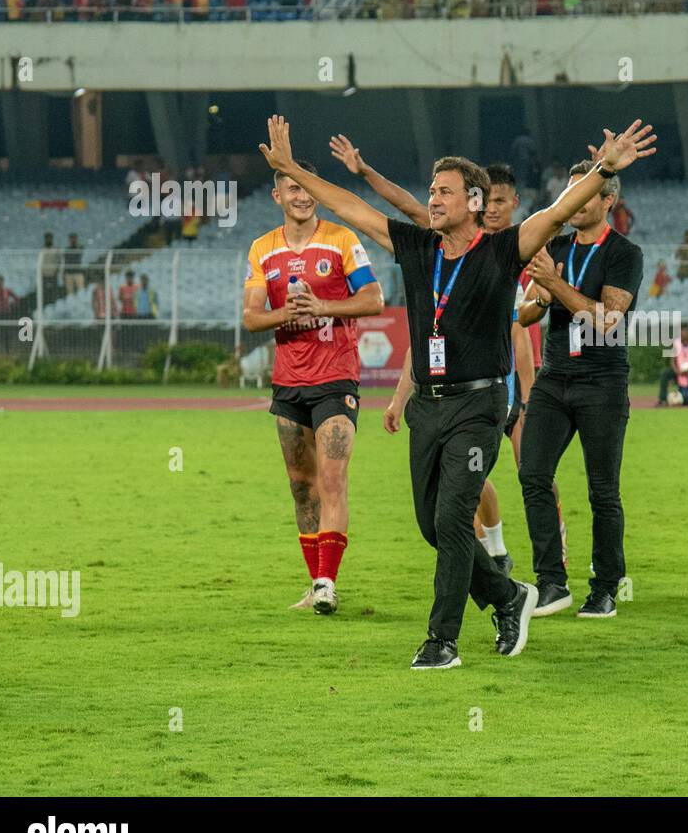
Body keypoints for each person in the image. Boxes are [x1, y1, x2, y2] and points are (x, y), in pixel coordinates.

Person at [259, 114, 655, 669]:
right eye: (431, 191)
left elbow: (559, 212)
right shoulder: (419, 248)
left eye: (443, 192)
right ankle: (508, 595)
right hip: (429, 406)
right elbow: (353, 209)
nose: (433, 199)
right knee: (431, 524)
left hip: (480, 404)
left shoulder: (501, 250)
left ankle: (441, 640)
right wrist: (291, 168)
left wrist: (602, 170)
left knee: (452, 519)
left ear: (473, 201)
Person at [327, 137, 561, 574]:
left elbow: (520, 326)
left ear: (511, 205)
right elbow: (407, 210)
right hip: (447, 383)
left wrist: (527, 394)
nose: (492, 209)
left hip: (496, 381)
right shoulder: (438, 247)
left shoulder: (514, 248)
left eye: (499, 201)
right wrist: (365, 172)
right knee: (467, 490)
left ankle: (547, 566)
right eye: (488, 201)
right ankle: (496, 551)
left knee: (531, 474)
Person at [241, 156, 385, 616]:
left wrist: (323, 305)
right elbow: (250, 318)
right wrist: (288, 314)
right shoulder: (262, 249)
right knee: (301, 487)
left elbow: (373, 299)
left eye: (308, 189)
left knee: (332, 477)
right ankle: (315, 581)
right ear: (277, 196)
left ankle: (327, 583)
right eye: (293, 189)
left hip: (335, 378)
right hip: (288, 384)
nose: (302, 196)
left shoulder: (342, 239)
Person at [517, 157, 646, 618]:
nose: (571, 201)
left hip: (602, 381)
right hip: (555, 378)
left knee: (602, 490)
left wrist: (555, 284)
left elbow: (608, 322)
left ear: (608, 200)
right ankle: (551, 581)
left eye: (584, 191)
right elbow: (526, 314)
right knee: (532, 473)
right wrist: (540, 295)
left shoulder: (624, 254)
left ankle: (605, 588)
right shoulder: (554, 245)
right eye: (568, 192)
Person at [658, 321, 688, 405]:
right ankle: (662, 400)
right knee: (665, 373)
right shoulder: (676, 342)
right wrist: (676, 371)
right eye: (684, 331)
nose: (686, 333)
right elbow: (672, 359)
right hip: (678, 371)